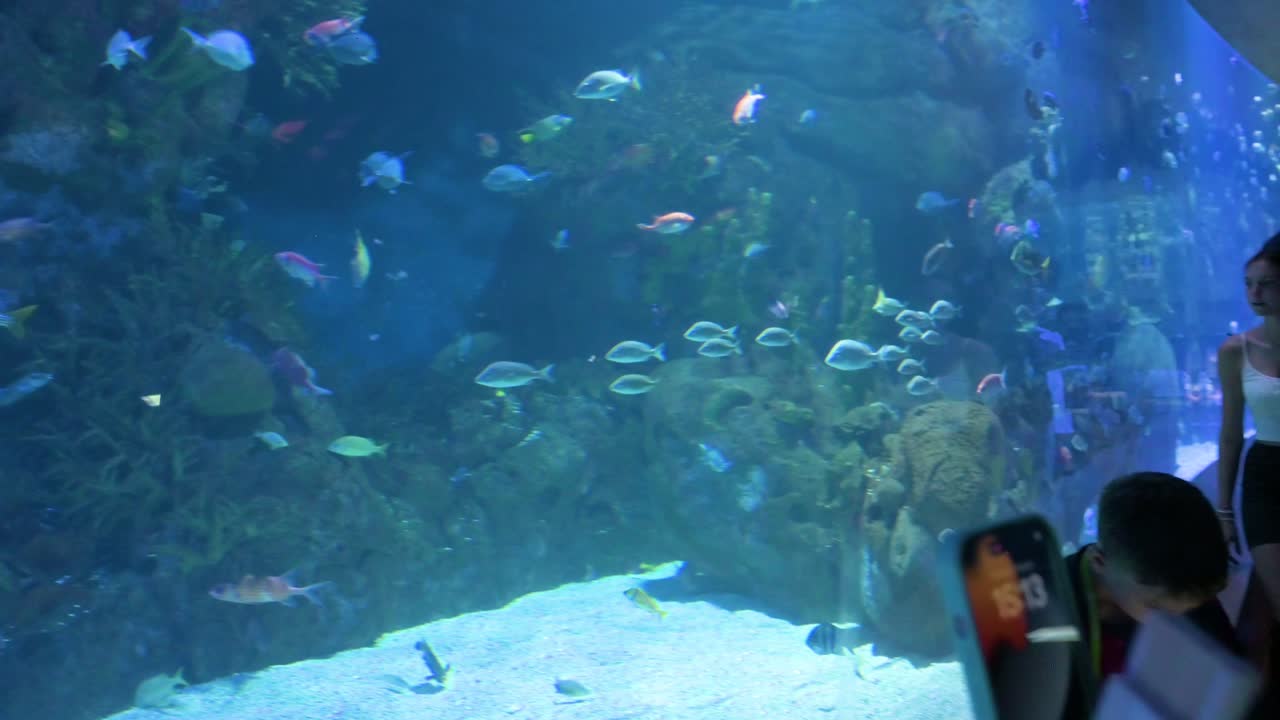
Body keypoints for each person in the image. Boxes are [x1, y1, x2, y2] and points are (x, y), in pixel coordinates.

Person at [1065, 472, 1241, 683]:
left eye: (1192, 608)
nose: (1177, 619)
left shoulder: (1188, 581)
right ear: (1100, 562)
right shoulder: (1051, 610)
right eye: (1157, 609)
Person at [1219, 232, 1280, 615]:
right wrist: (1224, 510)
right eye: (1248, 284)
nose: (1254, 293)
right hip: (1265, 476)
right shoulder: (1235, 351)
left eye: (1267, 284)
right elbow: (1229, 435)